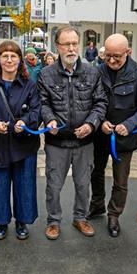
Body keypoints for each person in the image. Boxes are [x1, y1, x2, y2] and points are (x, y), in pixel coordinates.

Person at [37, 26, 107, 240]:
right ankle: (53, 221)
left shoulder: (93, 72)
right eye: (66, 44)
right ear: (57, 46)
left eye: (74, 43)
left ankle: (80, 218)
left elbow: (100, 103)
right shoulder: (45, 74)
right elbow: (42, 103)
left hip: (84, 142)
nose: (71, 48)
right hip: (56, 142)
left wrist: (91, 124)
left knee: (83, 184)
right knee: (54, 186)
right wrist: (49, 119)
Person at [88, 34, 137, 237]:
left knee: (120, 180)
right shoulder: (97, 71)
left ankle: (114, 214)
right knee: (95, 173)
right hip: (100, 135)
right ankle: (97, 204)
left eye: (117, 56)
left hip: (124, 139)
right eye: (107, 56)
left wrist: (129, 124)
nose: (112, 61)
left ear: (128, 52)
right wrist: (100, 122)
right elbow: (91, 102)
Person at [0, 41, 41, 240]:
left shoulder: (30, 85)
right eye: (5, 56)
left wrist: (24, 121)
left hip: (23, 145)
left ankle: (22, 222)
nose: (9, 59)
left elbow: (36, 110)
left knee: (25, 185)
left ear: (20, 60)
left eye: (13, 56)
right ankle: (2, 223)